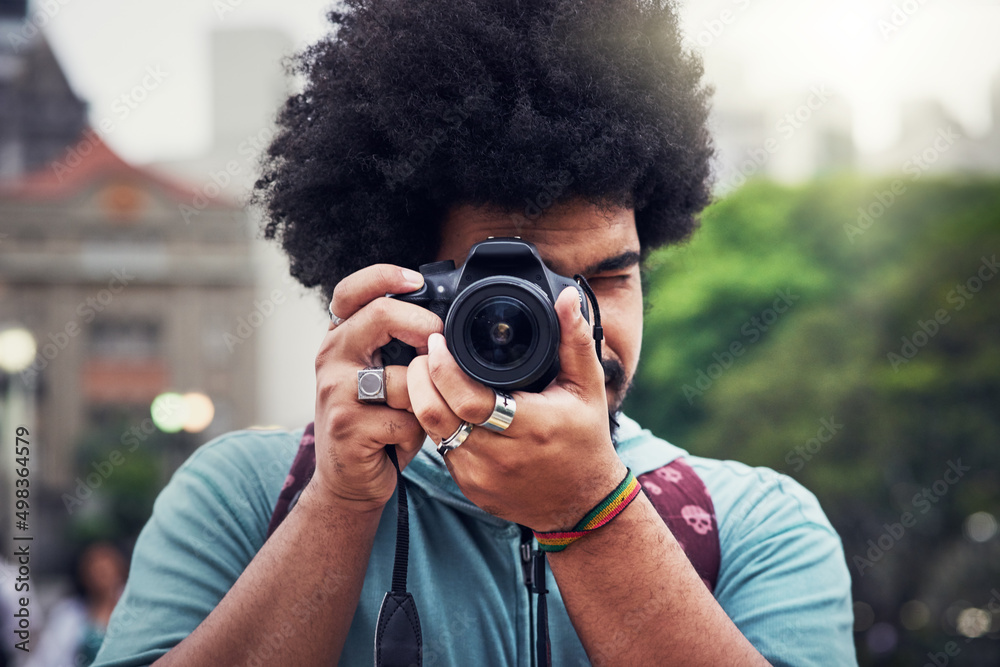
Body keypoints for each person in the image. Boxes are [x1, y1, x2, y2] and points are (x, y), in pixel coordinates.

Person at [94, 0, 856, 665]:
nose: (572, 325)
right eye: (509, 291)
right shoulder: (246, 499)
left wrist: (590, 513)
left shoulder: (754, 522)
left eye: (611, 277)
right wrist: (337, 506)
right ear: (399, 285)